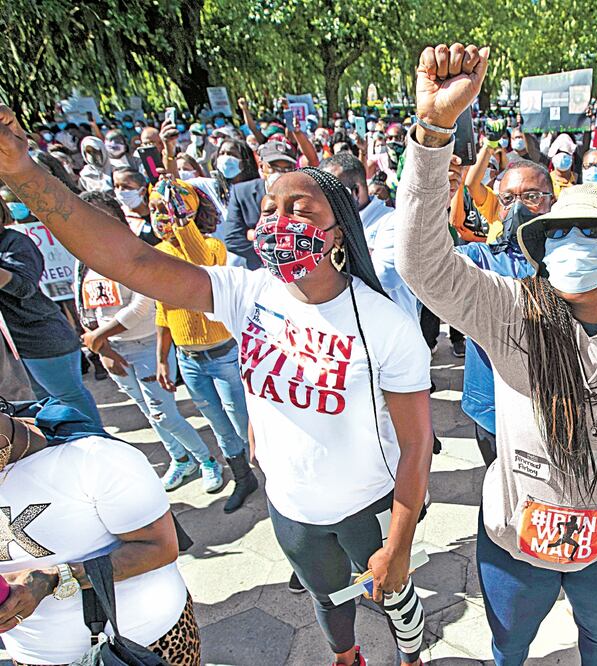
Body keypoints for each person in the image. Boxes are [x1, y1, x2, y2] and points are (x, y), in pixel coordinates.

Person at [0, 106, 434, 666]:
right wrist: (25, 175)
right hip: (290, 505)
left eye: (298, 209)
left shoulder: (386, 325)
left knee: (394, 594)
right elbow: (127, 257)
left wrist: (398, 544)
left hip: (366, 504)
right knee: (329, 600)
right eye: (270, 207)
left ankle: (412, 656)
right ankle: (347, 657)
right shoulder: (246, 292)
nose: (278, 220)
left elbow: (417, 443)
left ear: (337, 230)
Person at [396, 42, 597, 666]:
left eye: (592, 235)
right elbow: (420, 263)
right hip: (515, 543)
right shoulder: (511, 312)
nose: (571, 246)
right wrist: (434, 130)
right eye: (558, 234)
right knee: (509, 648)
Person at [0, 400, 201, 665]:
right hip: (32, 656)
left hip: (145, 644)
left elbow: (158, 547)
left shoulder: (92, 457)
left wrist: (54, 578)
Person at [75, 190, 229, 496]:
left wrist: (100, 336)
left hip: (144, 345)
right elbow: (85, 307)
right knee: (148, 413)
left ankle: (207, 460)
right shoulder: (84, 259)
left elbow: (145, 305)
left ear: (114, 216)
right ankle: (180, 459)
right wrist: (102, 347)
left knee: (163, 413)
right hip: (112, 351)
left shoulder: (137, 252)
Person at [149, 179, 257, 510]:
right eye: (154, 210)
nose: (159, 217)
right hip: (190, 360)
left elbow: (203, 268)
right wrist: (162, 359)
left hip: (224, 356)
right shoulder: (158, 254)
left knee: (243, 420)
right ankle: (244, 478)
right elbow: (163, 309)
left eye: (166, 211)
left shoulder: (212, 246)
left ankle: (274, 474)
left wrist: (183, 225)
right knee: (219, 424)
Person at [457, 160, 552, 466]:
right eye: (508, 199)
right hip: (491, 410)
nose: (519, 208)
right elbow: (424, 260)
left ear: (553, 201)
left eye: (532, 196)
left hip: (554, 410)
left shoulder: (572, 259)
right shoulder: (479, 258)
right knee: (499, 501)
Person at [0, 202, 101, 425]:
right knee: (39, 407)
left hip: (41, 338)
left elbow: (24, 287)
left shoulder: (14, 242)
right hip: (11, 349)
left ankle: (99, 442)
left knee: (69, 397)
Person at [221, 141, 297, 268]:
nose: (280, 173)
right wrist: (270, 249)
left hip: (292, 267)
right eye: (274, 167)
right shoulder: (241, 192)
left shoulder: (301, 195)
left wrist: (254, 235)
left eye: (287, 168)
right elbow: (233, 240)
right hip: (258, 269)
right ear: (262, 167)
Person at [321, 152, 393, 250]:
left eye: (333, 194)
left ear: (356, 191)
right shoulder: (326, 225)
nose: (327, 201)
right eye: (323, 194)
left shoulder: (390, 223)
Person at [112, 166, 159, 245]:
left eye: (126, 187)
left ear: (142, 191)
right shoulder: (118, 216)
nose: (120, 191)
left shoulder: (156, 213)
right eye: (117, 186)